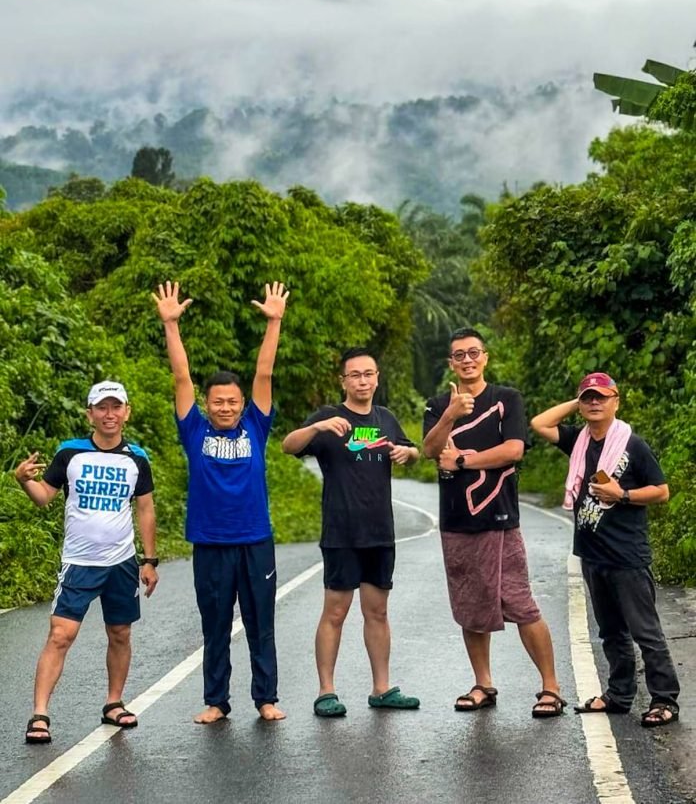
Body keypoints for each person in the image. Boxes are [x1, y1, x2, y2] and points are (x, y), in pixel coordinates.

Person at [153, 279, 288, 723]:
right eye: (218, 402)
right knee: (214, 626)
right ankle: (216, 701)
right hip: (210, 542)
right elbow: (181, 376)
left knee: (260, 625)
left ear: (243, 403)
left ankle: (266, 699)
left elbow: (264, 373)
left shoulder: (256, 427)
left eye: (233, 401)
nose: (226, 407)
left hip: (255, 540)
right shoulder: (195, 432)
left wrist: (274, 322)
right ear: (207, 406)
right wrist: (171, 326)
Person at [422, 328, 565, 718]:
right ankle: (483, 683)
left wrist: (464, 460)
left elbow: (513, 450)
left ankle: (550, 687)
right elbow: (430, 451)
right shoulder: (437, 405)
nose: (467, 360)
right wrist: (451, 415)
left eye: (473, 353)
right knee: (471, 604)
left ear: (485, 357)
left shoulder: (506, 400)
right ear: (451, 363)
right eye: (459, 355)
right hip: (456, 520)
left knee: (518, 600)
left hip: (499, 519)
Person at [530, 371, 680, 727]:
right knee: (610, 631)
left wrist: (622, 495)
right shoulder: (578, 440)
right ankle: (619, 694)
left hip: (627, 555)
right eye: (588, 398)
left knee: (645, 631)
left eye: (602, 397)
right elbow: (539, 423)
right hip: (592, 553)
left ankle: (664, 701)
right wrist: (577, 403)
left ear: (617, 401)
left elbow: (661, 491)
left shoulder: (633, 445)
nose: (595, 402)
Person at [15, 380, 159, 745]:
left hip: (122, 562)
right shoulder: (70, 453)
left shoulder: (136, 458)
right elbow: (44, 497)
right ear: (90, 414)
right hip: (79, 562)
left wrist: (150, 560)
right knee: (61, 635)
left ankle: (114, 703)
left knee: (120, 633)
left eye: (116, 407)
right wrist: (22, 481)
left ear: (126, 412)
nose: (109, 414)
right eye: (102, 408)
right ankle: (40, 714)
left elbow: (145, 508)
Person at [282, 347, 420, 717]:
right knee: (336, 612)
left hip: (380, 532)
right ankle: (326, 691)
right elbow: (288, 445)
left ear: (377, 378)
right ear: (343, 380)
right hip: (342, 532)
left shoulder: (386, 418)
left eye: (369, 374)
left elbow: (411, 450)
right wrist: (316, 427)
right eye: (355, 375)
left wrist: (411, 454)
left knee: (377, 612)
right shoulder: (329, 417)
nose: (363, 380)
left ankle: (382, 688)